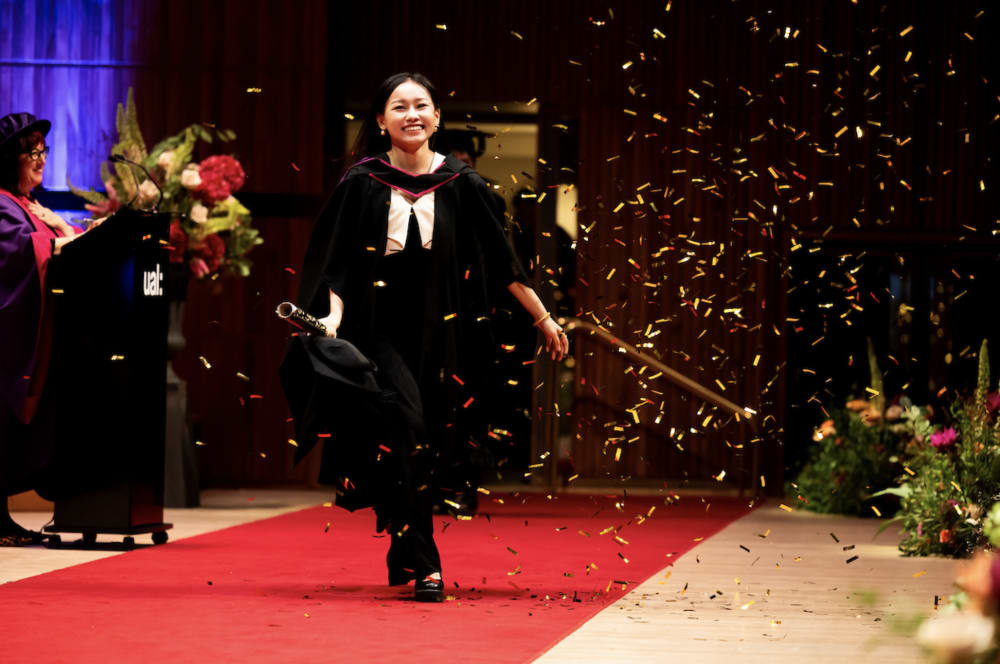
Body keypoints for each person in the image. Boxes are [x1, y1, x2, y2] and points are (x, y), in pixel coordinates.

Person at [286, 73, 568, 602]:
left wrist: (544, 319)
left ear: (437, 117)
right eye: (399, 106)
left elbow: (503, 264)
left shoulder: (464, 184)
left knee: (426, 443)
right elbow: (337, 267)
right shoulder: (361, 182)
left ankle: (404, 539)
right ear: (381, 121)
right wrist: (332, 321)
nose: (411, 114)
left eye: (422, 106)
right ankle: (427, 564)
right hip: (377, 335)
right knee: (408, 427)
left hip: (446, 339)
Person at [0, 112, 89, 546]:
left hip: (33, 336)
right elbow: (19, 254)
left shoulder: (28, 205)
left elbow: (57, 249)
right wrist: (62, 240)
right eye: (31, 150)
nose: (40, 158)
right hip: (8, 340)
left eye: (42, 150)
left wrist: (64, 230)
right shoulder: (1, 203)